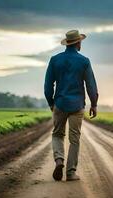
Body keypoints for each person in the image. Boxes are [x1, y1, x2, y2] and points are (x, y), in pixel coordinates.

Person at [44, 30, 98, 181]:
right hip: (77, 105)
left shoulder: (55, 60)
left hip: (60, 104)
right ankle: (70, 172)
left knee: (57, 134)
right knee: (75, 139)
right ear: (78, 43)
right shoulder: (84, 61)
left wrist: (51, 103)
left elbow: (48, 86)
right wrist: (94, 104)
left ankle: (59, 160)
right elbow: (91, 85)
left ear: (68, 43)